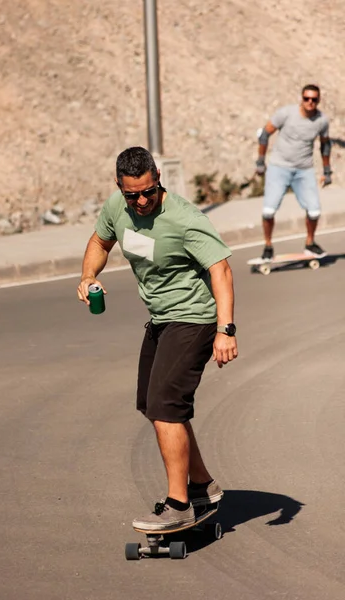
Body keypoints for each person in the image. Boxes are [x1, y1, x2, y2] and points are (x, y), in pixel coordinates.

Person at [77, 146, 238, 531]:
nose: (143, 200)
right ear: (120, 187)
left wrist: (225, 329)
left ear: (158, 177)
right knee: (152, 404)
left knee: (166, 405)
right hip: (161, 319)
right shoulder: (117, 207)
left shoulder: (183, 217)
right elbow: (100, 242)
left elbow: (221, 269)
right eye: (133, 194)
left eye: (150, 190)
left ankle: (178, 503)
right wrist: (87, 276)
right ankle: (202, 486)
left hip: (194, 319)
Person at [255, 84, 332, 261]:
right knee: (268, 211)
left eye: (314, 99)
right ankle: (268, 246)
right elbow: (265, 135)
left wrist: (327, 171)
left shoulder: (322, 120)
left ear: (318, 100)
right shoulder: (286, 113)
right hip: (279, 168)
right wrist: (260, 161)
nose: (310, 102)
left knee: (314, 211)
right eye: (307, 98)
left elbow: (325, 145)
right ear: (301, 98)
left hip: (304, 170)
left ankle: (310, 243)